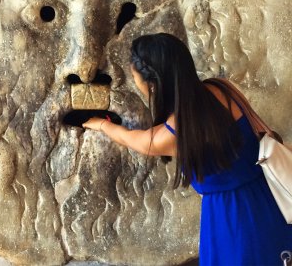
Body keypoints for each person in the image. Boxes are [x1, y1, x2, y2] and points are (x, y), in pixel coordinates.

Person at [82, 33, 292, 266]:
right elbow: (262, 130)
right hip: (270, 198)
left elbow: (133, 139)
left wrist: (101, 124)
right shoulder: (223, 89)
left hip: (230, 220)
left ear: (152, 84)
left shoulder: (170, 134)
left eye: (135, 77)